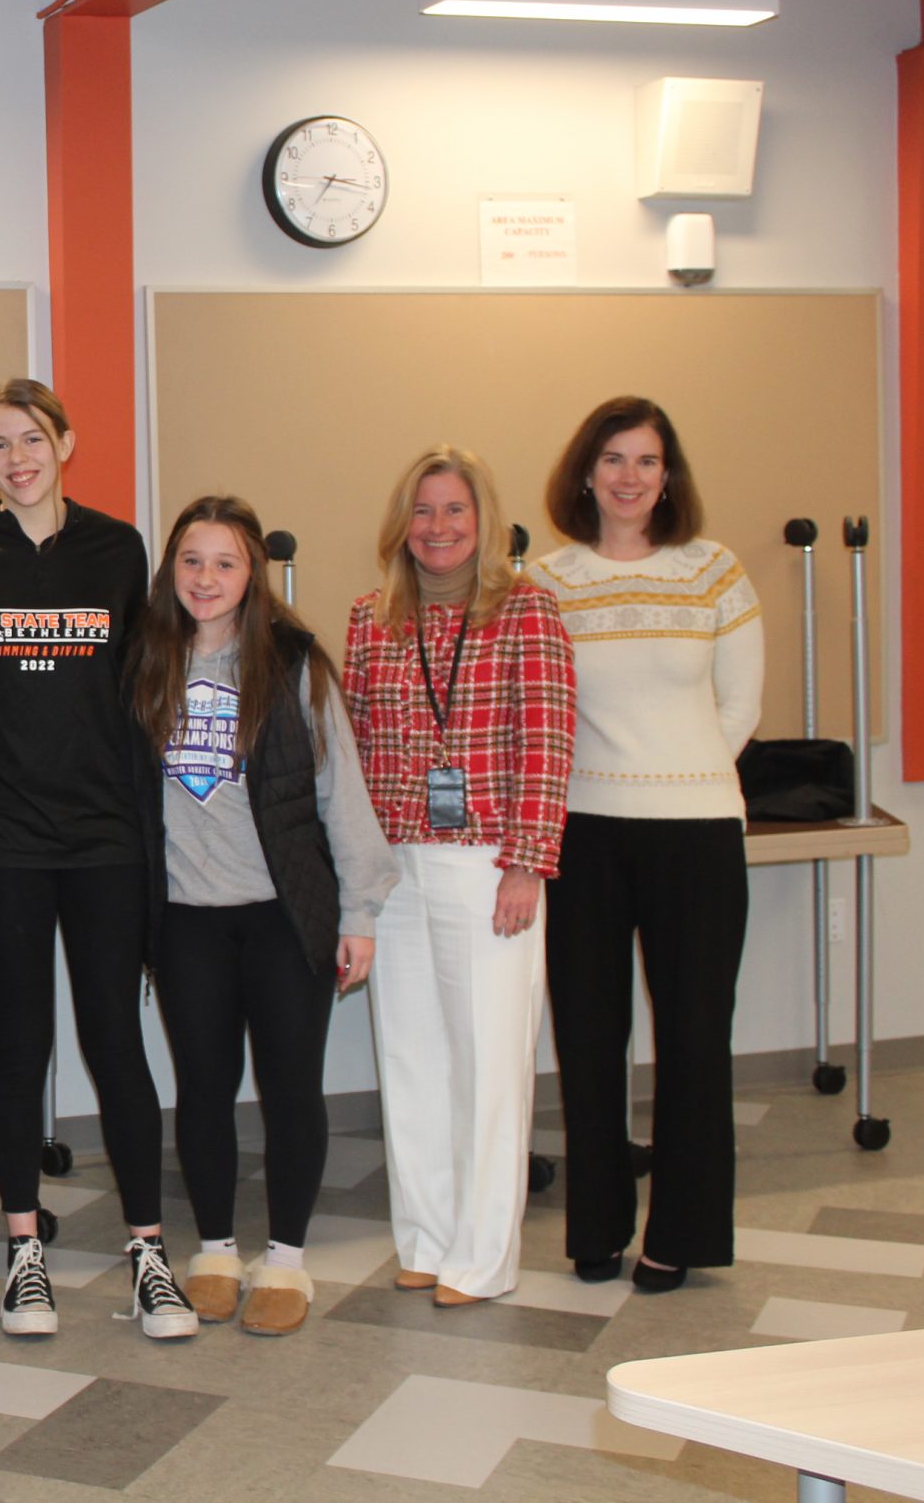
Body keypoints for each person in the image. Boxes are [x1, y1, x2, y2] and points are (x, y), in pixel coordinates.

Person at [0, 380, 193, 1343]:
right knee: (21, 1045)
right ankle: (24, 1257)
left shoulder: (117, 549)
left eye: (30, 438)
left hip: (103, 840)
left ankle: (149, 1256)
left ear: (65, 442)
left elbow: (154, 673)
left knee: (115, 1041)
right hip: (3, 843)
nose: (14, 457)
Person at [128, 495, 395, 1337]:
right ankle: (212, 1248)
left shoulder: (293, 663)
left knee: (289, 1089)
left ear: (253, 575)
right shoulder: (143, 660)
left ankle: (285, 1259)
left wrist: (360, 912)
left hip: (285, 917)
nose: (206, 578)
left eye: (226, 563)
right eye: (192, 561)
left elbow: (339, 794)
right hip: (185, 920)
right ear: (172, 569)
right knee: (203, 1088)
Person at [526, 397, 762, 1292]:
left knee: (696, 1039)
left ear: (670, 476)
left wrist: (682, 772)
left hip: (697, 831)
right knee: (588, 1038)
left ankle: (682, 1234)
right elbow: (542, 712)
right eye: (614, 458)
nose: (630, 476)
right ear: (586, 471)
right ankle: (596, 1226)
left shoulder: (715, 572)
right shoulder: (549, 583)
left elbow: (740, 706)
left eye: (648, 460)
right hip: (582, 832)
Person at [344, 446, 574, 1306]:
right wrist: (356, 879)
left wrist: (527, 863)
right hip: (397, 864)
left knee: (488, 1064)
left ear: (484, 523)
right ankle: (426, 1237)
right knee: (410, 1057)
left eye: (455, 511)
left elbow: (548, 745)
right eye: (424, 511)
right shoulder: (373, 618)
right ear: (401, 523)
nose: (438, 528)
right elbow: (357, 752)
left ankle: (483, 1256)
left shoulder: (527, 611)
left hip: (489, 867)